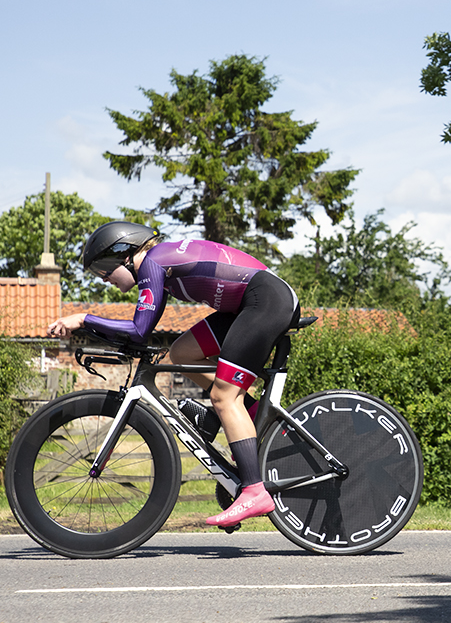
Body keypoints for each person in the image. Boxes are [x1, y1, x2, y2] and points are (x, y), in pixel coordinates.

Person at [47, 221, 299, 528]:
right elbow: (144, 329)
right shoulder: (161, 265)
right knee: (180, 354)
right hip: (251, 303)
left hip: (265, 301)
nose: (104, 279)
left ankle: (253, 490)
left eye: (103, 270)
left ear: (123, 256)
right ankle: (248, 413)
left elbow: (139, 331)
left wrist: (83, 319)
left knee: (223, 395)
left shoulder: (152, 263)